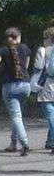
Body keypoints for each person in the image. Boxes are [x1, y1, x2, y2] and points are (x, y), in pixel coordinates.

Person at [0, 27, 32, 156]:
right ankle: (13, 143)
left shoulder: (3, 50)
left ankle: (25, 143)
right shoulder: (25, 48)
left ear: (7, 39)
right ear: (18, 37)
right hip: (25, 85)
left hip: (10, 86)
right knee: (18, 116)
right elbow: (26, 67)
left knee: (16, 116)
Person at [29, 25, 54, 153]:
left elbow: (38, 67)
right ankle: (50, 141)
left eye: (45, 37)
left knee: (50, 116)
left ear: (49, 37)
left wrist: (34, 81)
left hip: (47, 86)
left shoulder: (44, 50)